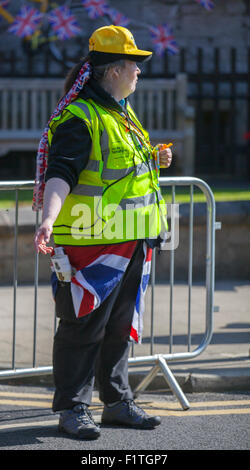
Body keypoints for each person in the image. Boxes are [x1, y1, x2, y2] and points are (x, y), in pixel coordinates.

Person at [33, 25, 172, 440]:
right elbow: (62, 173)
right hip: (91, 245)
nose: (138, 73)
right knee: (82, 327)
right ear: (112, 71)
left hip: (131, 240)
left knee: (118, 327)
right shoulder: (80, 117)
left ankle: (116, 402)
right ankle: (73, 409)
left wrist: (154, 158)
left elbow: (118, 171)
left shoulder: (119, 113)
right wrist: (47, 219)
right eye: (134, 65)